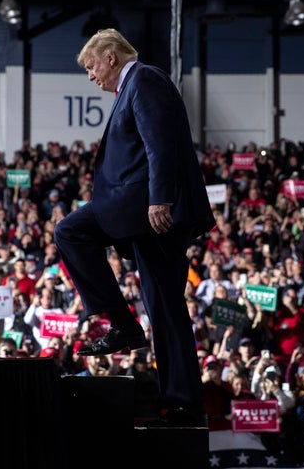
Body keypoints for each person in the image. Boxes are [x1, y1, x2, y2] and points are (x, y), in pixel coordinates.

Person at [54, 28, 215, 427]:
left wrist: (160, 198)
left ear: (110, 57)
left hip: (149, 212)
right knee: (163, 305)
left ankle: (182, 400)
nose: (91, 77)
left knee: (165, 306)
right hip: (134, 212)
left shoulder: (144, 78)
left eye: (91, 67)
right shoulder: (135, 86)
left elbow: (160, 143)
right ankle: (128, 330)